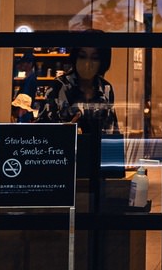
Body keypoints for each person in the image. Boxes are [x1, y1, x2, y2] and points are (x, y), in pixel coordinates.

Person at [38, 42, 118, 178]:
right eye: (82, 56)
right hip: (61, 166)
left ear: (102, 62)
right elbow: (43, 133)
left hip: (96, 165)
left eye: (95, 58)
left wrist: (114, 161)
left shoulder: (105, 88)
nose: (87, 64)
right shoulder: (59, 86)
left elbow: (110, 130)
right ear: (75, 58)